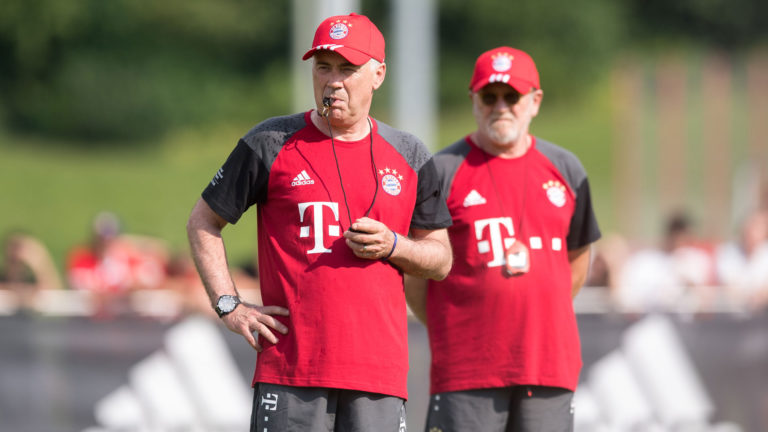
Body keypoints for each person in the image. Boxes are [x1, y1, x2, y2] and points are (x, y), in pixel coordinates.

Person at [185, 12, 452, 432]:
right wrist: (229, 306)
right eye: (323, 67)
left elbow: (441, 259)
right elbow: (203, 221)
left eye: (348, 69)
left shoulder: (410, 154)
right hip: (291, 373)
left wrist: (394, 246)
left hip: (378, 378)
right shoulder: (270, 142)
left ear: (378, 75)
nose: (333, 81)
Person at [405, 46, 601, 432]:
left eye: (512, 96)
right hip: (466, 369)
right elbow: (415, 273)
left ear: (535, 101)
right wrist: (452, 327)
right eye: (489, 96)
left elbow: (578, 257)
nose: (500, 107)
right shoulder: (442, 171)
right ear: (473, 100)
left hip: (548, 366)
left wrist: (541, 309)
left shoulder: (566, 169)